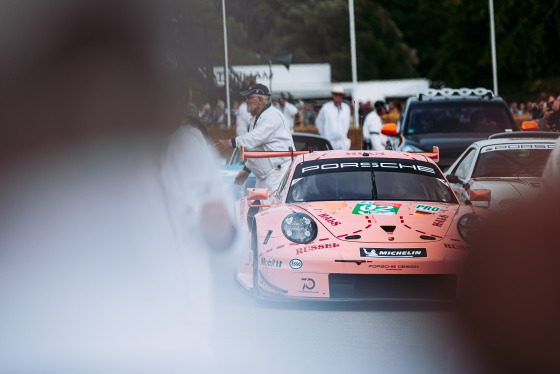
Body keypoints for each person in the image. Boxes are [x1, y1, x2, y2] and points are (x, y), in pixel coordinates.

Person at [214, 83, 295, 195]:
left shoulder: (273, 116)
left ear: (260, 100)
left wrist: (231, 143)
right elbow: (256, 148)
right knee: (258, 208)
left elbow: (255, 139)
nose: (246, 101)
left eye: (249, 98)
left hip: (279, 173)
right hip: (265, 175)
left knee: (271, 209)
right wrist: (247, 169)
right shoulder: (256, 119)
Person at [316, 85, 351, 150]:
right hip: (330, 141)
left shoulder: (346, 108)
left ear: (342, 96)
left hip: (343, 141)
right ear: (333, 95)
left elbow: (347, 124)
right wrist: (324, 136)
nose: (337, 96)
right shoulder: (326, 107)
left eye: (340, 94)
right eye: (336, 94)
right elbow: (319, 122)